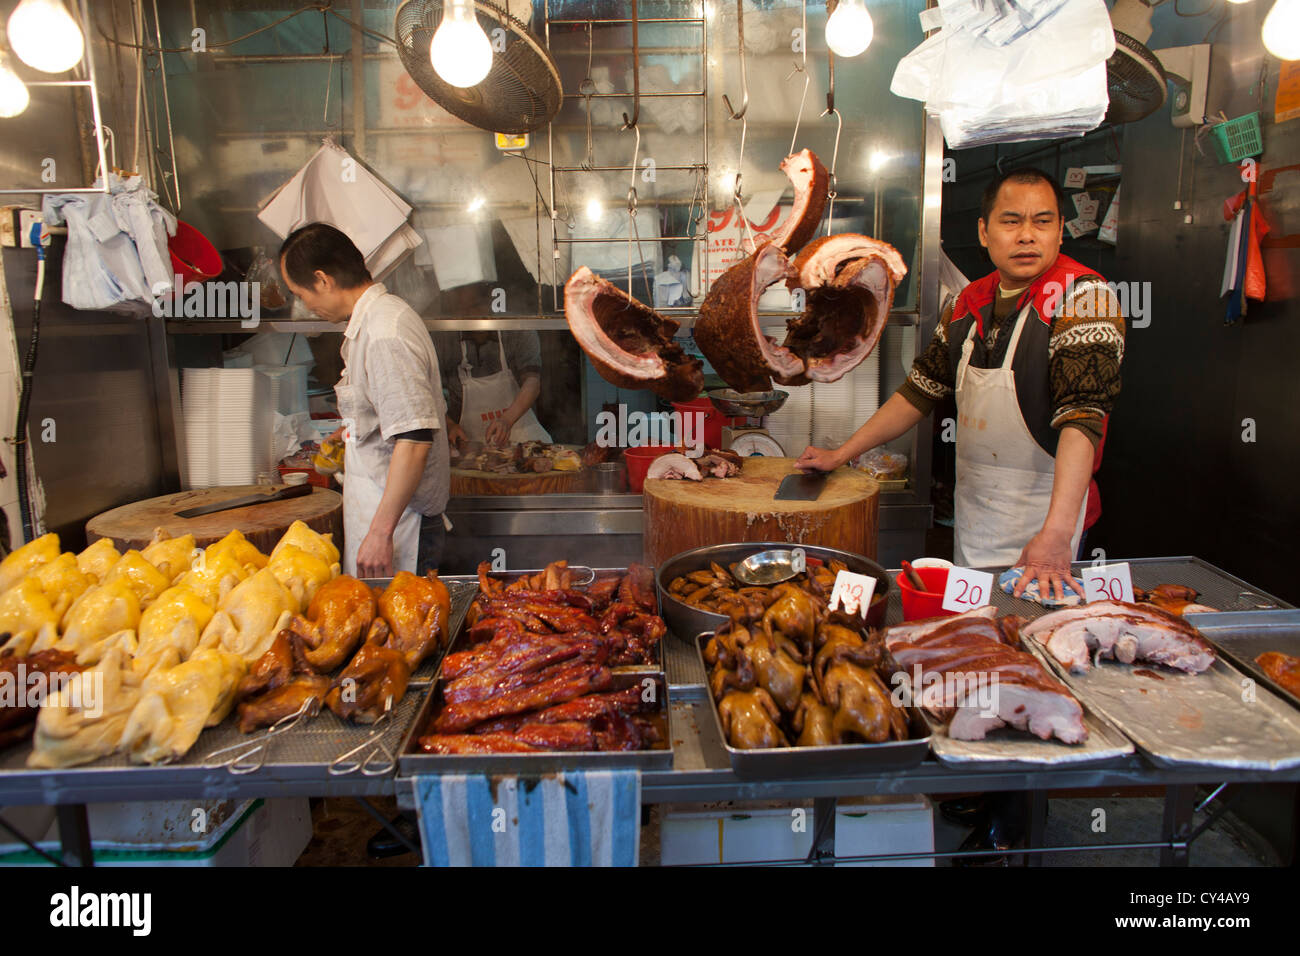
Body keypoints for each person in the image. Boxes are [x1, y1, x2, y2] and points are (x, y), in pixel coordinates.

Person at [797, 166, 1125, 601]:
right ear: (984, 232)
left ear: (1061, 230)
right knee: (978, 630)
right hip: (978, 516)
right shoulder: (966, 303)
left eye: (1042, 221)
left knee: (1036, 632)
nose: (1027, 236)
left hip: (1048, 525)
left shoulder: (1084, 299)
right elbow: (919, 391)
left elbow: (1083, 419)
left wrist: (1057, 534)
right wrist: (841, 454)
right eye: (1011, 221)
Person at [279, 223, 451, 577]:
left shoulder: (385, 332)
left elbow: (414, 441)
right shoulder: (372, 323)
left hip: (402, 528)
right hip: (384, 515)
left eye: (299, 293)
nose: (304, 305)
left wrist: (380, 533)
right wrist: (350, 435)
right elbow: (388, 417)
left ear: (322, 280)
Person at [434, 330, 550, 448]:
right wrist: (449, 424)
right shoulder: (444, 335)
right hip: (471, 447)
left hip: (524, 439)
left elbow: (532, 383)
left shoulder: (517, 330)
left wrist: (507, 419)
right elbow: (430, 392)